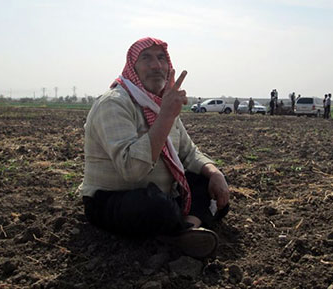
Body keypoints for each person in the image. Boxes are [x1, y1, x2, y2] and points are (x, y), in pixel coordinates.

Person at [80, 37, 230, 258]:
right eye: (146, 58)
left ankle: (186, 229)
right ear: (132, 67)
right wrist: (166, 115)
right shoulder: (114, 104)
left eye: (161, 58)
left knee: (214, 187)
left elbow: (189, 152)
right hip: (114, 199)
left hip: (163, 194)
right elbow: (132, 170)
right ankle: (182, 229)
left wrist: (214, 171)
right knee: (155, 207)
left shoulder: (161, 103)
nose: (156, 65)